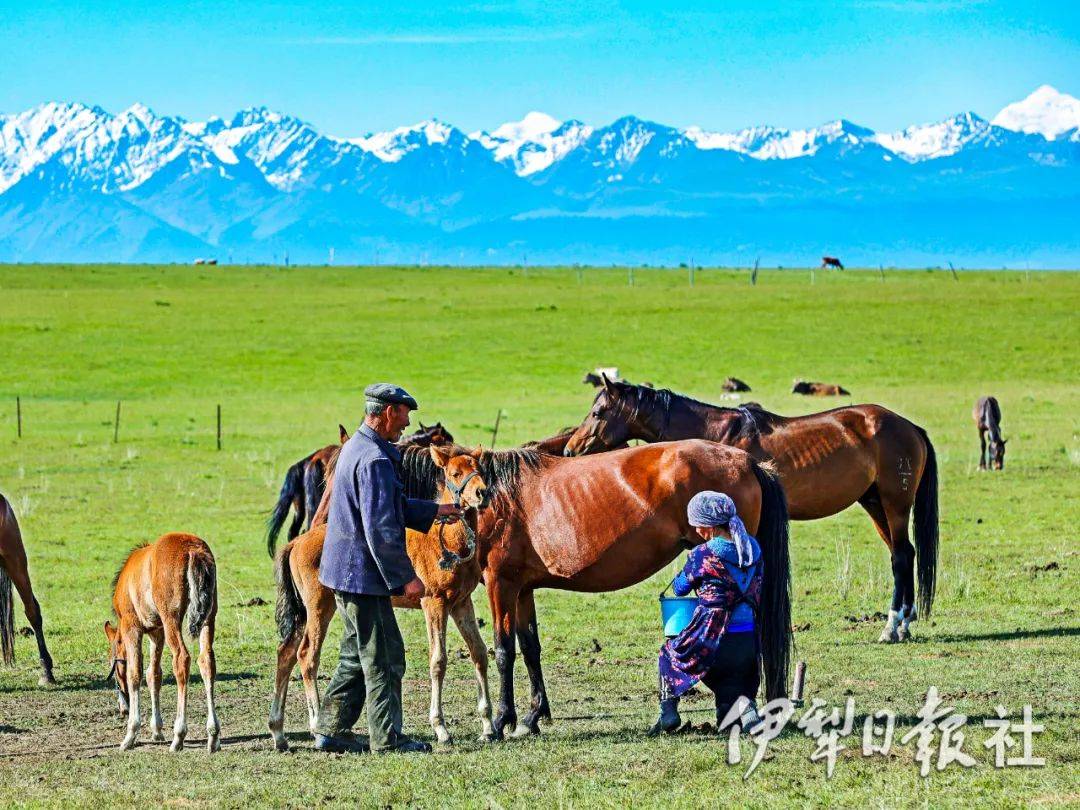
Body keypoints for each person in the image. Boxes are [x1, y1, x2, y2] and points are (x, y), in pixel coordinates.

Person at [314, 383, 462, 754]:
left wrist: (434, 511)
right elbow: (380, 529)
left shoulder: (359, 448)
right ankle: (388, 739)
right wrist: (406, 578)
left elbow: (388, 506)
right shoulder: (376, 460)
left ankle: (330, 729)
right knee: (386, 654)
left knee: (354, 654)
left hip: (346, 573)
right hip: (363, 575)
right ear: (386, 412)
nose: (407, 421)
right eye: (403, 413)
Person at [650, 490, 764, 736]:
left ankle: (668, 710)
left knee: (669, 655)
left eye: (697, 526)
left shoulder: (704, 554)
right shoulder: (754, 548)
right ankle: (745, 707)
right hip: (750, 643)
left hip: (713, 641)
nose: (697, 532)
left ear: (706, 527)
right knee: (730, 694)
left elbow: (680, 589)